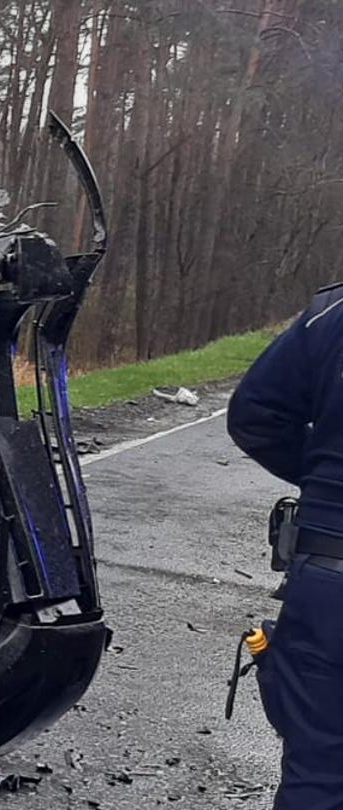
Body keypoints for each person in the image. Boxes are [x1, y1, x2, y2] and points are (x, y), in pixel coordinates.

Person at [229, 282, 343, 810]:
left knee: (319, 770)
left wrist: (322, 482)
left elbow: (256, 415)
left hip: (330, 568)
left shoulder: (332, 313)